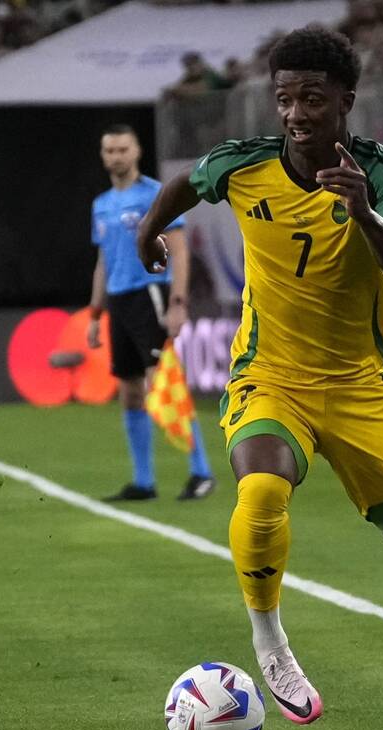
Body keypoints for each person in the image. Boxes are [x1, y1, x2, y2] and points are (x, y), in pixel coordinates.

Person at [134, 26, 383, 730]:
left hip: (361, 388)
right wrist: (147, 231)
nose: (296, 112)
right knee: (264, 487)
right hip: (270, 376)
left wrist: (363, 211)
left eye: (312, 97)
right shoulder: (244, 165)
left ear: (346, 101)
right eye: (285, 98)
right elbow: (184, 185)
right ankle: (270, 642)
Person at [87, 123, 215, 502]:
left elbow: (179, 251)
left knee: (163, 383)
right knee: (129, 391)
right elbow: (102, 260)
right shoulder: (101, 204)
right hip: (119, 301)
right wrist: (95, 314)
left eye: (122, 149)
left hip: (151, 294)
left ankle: (201, 471)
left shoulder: (155, 194)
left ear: (137, 151)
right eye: (110, 150)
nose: (116, 156)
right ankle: (144, 481)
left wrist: (178, 304)